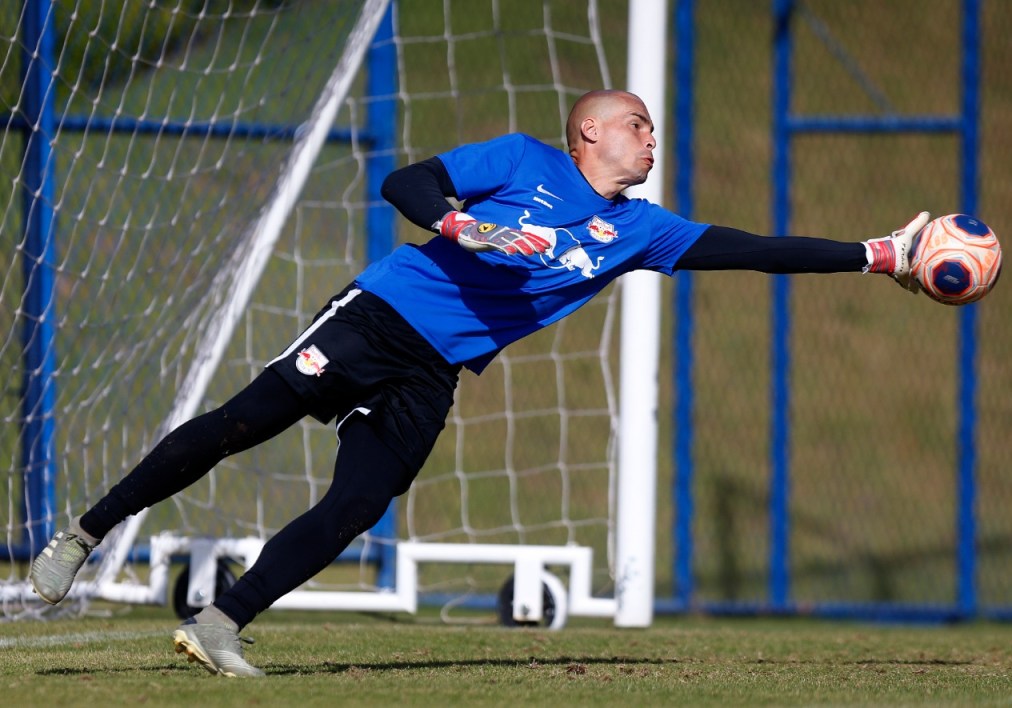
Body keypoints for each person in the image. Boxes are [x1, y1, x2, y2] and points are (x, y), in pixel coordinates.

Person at [29, 89, 928, 677]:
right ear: (590, 133)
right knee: (238, 425)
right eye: (637, 124)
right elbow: (406, 181)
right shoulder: (523, 159)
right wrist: (469, 230)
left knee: (358, 505)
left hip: (433, 372)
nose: (651, 137)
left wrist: (876, 255)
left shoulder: (645, 232)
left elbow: (758, 252)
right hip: (377, 317)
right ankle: (85, 533)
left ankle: (221, 623)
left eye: (652, 129)